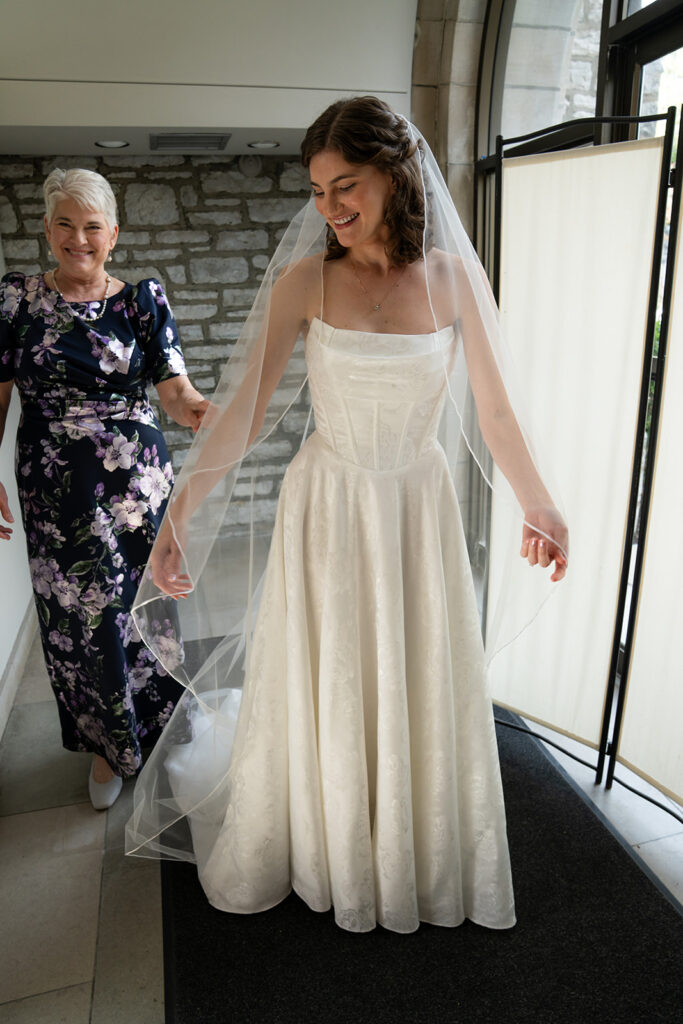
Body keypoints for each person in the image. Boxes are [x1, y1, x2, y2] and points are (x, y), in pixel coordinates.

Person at [125, 97, 568, 933]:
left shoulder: (451, 278)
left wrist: (539, 501)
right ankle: (326, 834)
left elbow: (495, 415)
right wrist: (179, 514)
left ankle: (415, 845)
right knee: (329, 668)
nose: (329, 208)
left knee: (411, 665)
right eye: (319, 190)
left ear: (395, 176)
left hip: (415, 505)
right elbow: (244, 412)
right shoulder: (307, 281)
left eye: (345, 185)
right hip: (327, 504)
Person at [0, 167, 207, 810]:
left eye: (92, 226)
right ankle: (108, 747)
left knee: (146, 607)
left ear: (113, 234)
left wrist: (205, 410)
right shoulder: (14, 300)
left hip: (137, 481)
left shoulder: (143, 298)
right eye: (65, 223)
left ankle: (160, 725)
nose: (78, 238)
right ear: (47, 229)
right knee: (83, 617)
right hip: (55, 488)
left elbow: (175, 390)